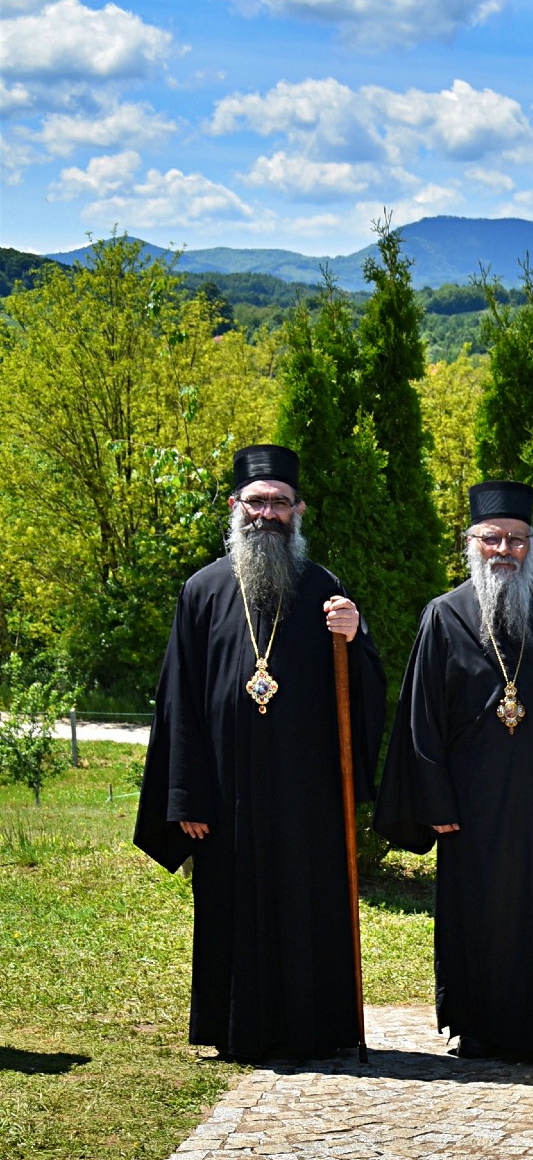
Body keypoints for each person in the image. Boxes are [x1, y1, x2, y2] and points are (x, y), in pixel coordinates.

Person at [135, 444, 385, 1064]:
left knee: (306, 906)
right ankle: (235, 1029)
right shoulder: (201, 590)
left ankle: (314, 1030)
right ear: (234, 505)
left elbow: (363, 689)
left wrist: (354, 637)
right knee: (231, 906)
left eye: (279, 502)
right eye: (256, 501)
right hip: (225, 792)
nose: (266, 513)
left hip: (306, 793)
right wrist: (185, 796)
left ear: (298, 511)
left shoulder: (324, 589)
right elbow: (178, 699)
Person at [374, 481, 533, 1061]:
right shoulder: (444, 615)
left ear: (530, 546)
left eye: (517, 540)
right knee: (482, 918)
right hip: (474, 808)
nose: (504, 550)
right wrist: (435, 802)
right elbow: (421, 717)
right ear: (470, 542)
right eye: (492, 538)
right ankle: (481, 1027)